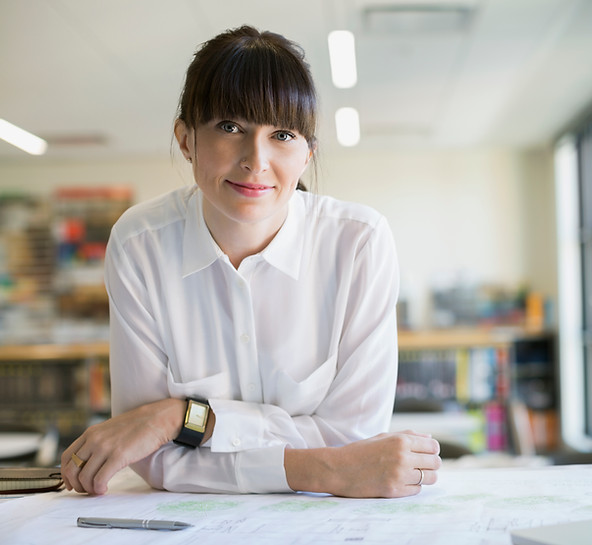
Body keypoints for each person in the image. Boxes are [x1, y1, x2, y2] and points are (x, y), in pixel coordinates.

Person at [61, 25, 441, 498]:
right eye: (230, 127)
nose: (256, 160)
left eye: (282, 134)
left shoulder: (358, 245)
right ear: (186, 139)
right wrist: (325, 470)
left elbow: (353, 438)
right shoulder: (140, 246)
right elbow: (149, 455)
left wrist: (181, 417)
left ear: (307, 155)